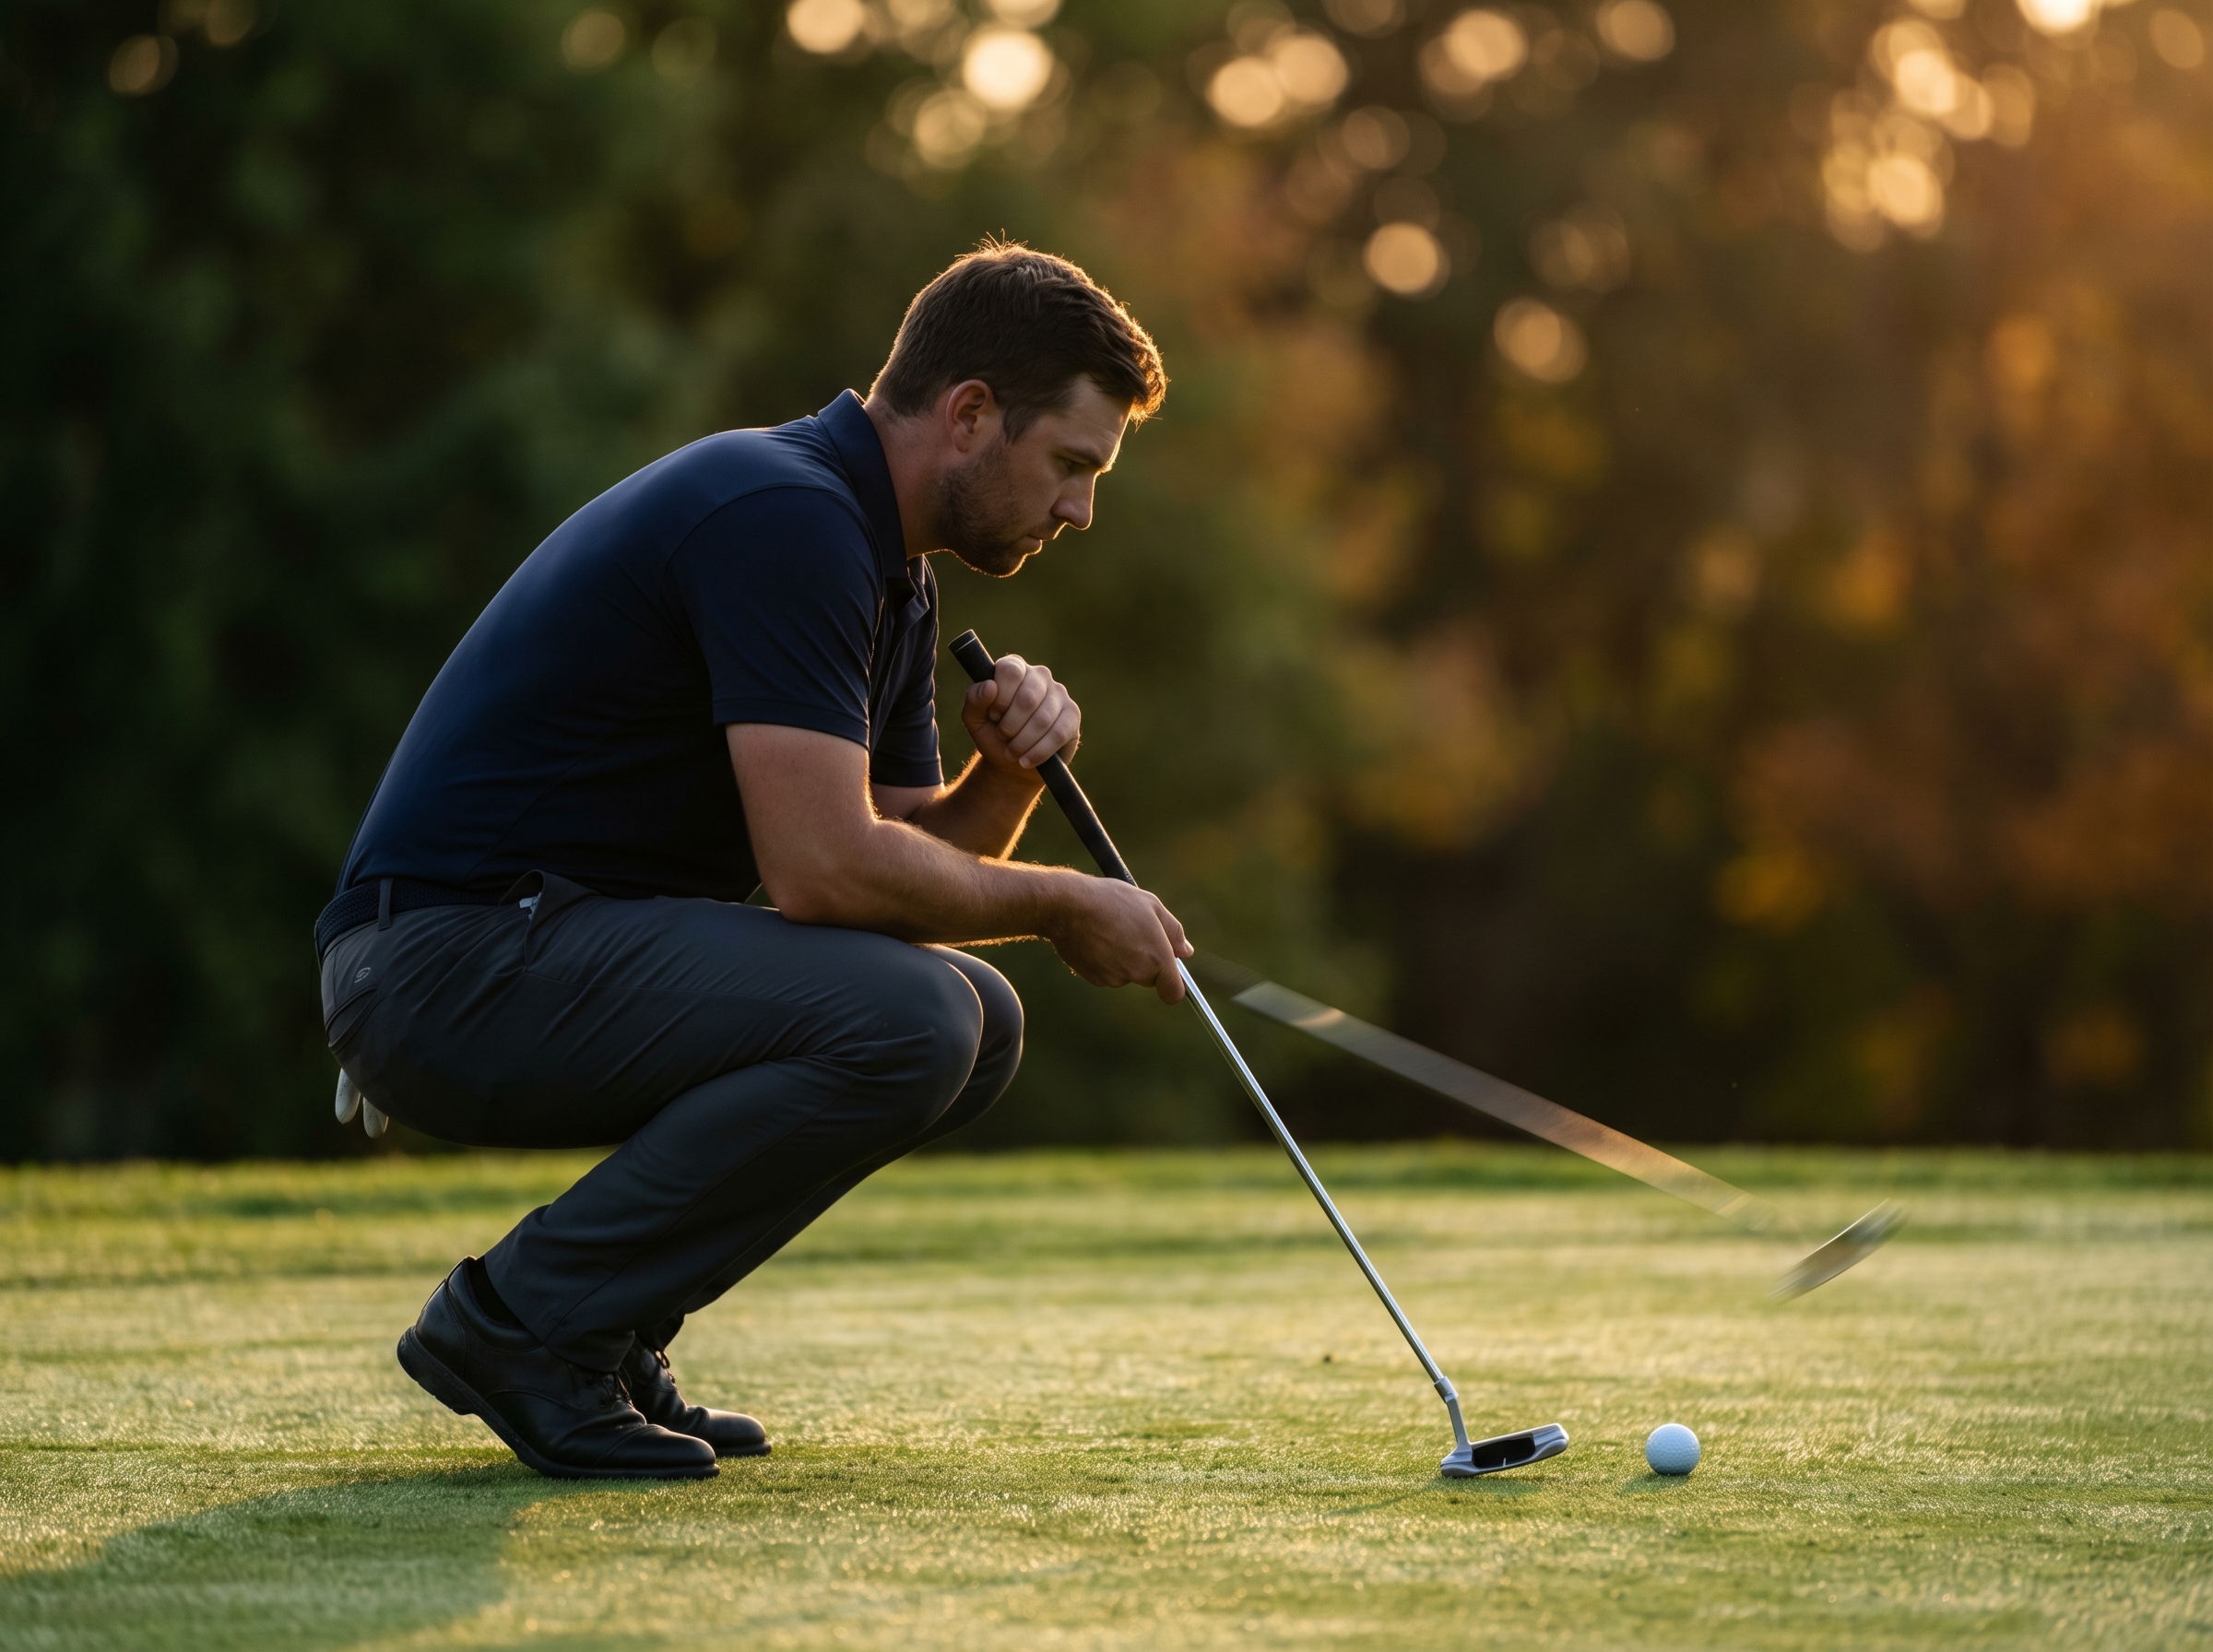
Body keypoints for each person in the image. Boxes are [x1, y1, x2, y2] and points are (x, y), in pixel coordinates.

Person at [314, 242, 1185, 1481]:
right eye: (1073, 465)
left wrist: (1005, 776)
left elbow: (899, 882)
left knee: (972, 1020)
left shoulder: (892, 575)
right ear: (972, 414)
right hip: (442, 964)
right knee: (919, 1022)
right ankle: (517, 1323)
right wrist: (1061, 907)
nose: (1081, 510)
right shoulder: (788, 517)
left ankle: (599, 1329)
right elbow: (825, 876)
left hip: (525, 951)